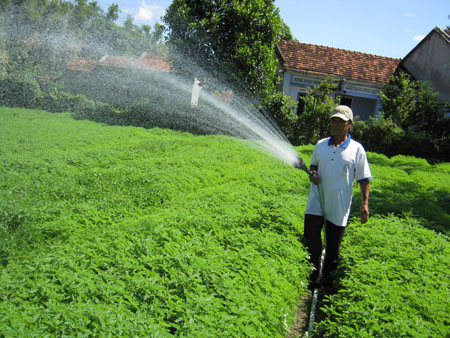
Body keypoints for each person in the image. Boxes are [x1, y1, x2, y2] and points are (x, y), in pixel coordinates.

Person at [304, 105, 372, 289]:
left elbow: (364, 179)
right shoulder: (320, 145)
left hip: (339, 204)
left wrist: (365, 204)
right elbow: (314, 166)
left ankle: (326, 281)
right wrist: (313, 174)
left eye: (340, 121)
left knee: (333, 247)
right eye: (333, 120)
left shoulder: (357, 149)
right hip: (316, 200)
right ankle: (312, 276)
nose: (335, 124)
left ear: (349, 124)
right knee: (311, 238)